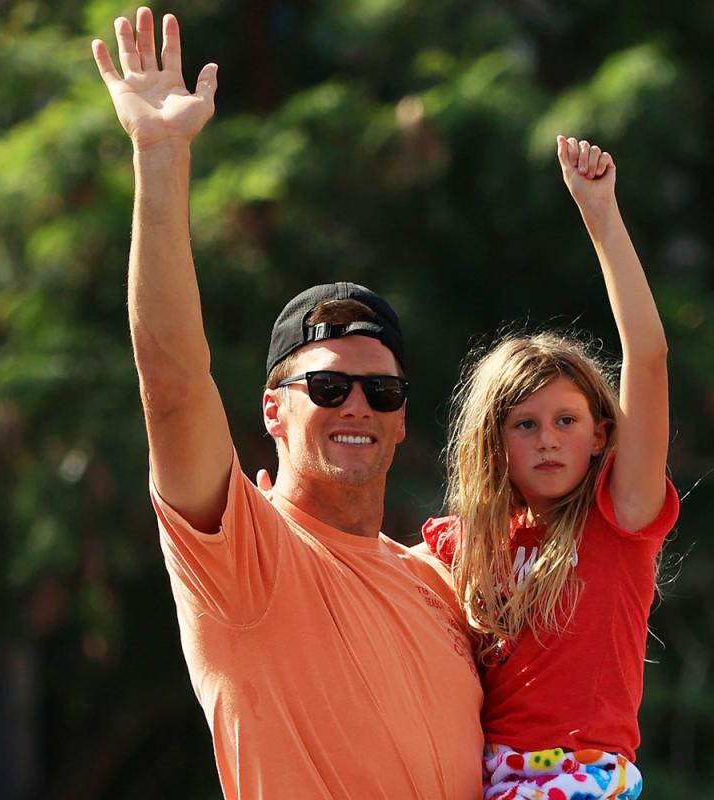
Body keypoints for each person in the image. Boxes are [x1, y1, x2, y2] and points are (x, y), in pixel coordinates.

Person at [90, 8, 483, 798]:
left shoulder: (440, 584)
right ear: (274, 410)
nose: (357, 408)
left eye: (381, 391)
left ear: (405, 417)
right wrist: (161, 157)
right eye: (328, 387)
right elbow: (170, 385)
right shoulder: (242, 555)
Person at [422, 137, 679, 799]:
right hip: (486, 783)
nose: (547, 441)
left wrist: (602, 218)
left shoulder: (619, 517)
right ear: (496, 443)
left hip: (583, 780)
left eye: (566, 421)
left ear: (600, 434)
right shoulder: (469, 545)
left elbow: (647, 359)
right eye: (525, 425)